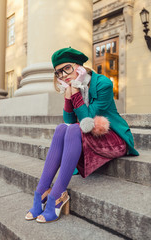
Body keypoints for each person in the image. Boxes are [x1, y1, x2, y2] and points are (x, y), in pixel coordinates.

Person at [25, 47, 139, 223]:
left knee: (74, 129)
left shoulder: (103, 84)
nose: (63, 75)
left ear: (79, 66)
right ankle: (41, 191)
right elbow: (69, 121)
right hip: (90, 133)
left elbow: (86, 123)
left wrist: (75, 93)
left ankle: (57, 194)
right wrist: (68, 95)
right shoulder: (71, 86)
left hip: (114, 137)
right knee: (62, 128)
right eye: (58, 72)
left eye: (67, 68)